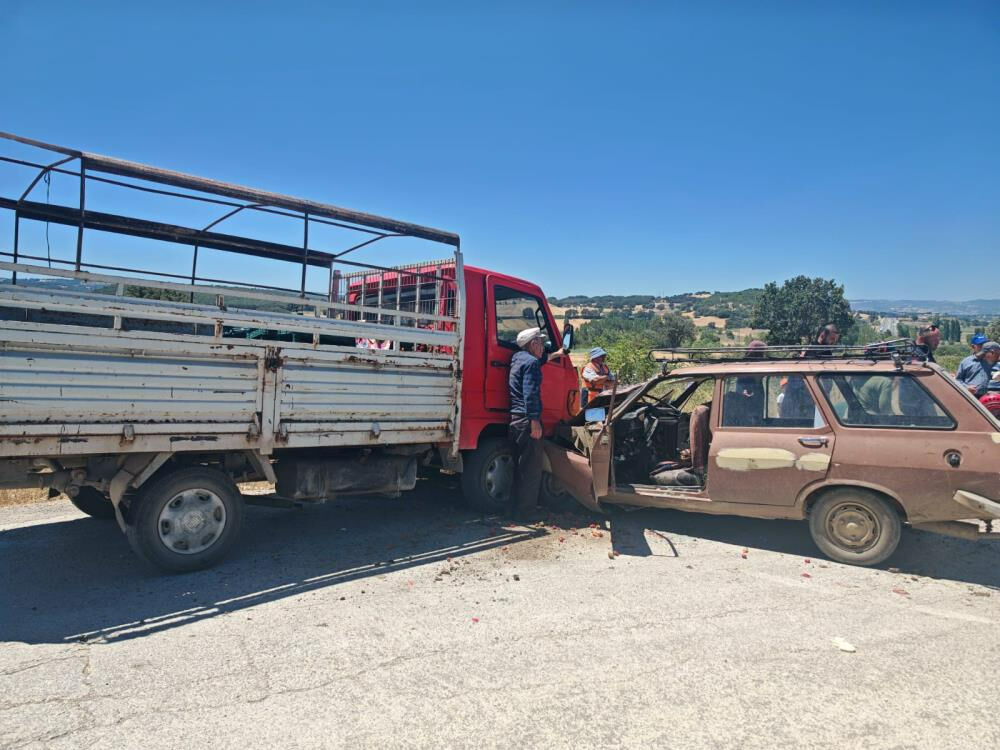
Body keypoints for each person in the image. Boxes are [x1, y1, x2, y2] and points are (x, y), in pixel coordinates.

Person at [508, 326, 566, 520]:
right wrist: (535, 422)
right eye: (541, 343)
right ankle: (526, 513)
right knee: (532, 469)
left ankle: (513, 509)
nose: (544, 347)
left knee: (518, 466)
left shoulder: (517, 358)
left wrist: (557, 354)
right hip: (527, 420)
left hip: (515, 420)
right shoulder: (531, 363)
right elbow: (530, 394)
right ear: (533, 344)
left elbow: (539, 360)